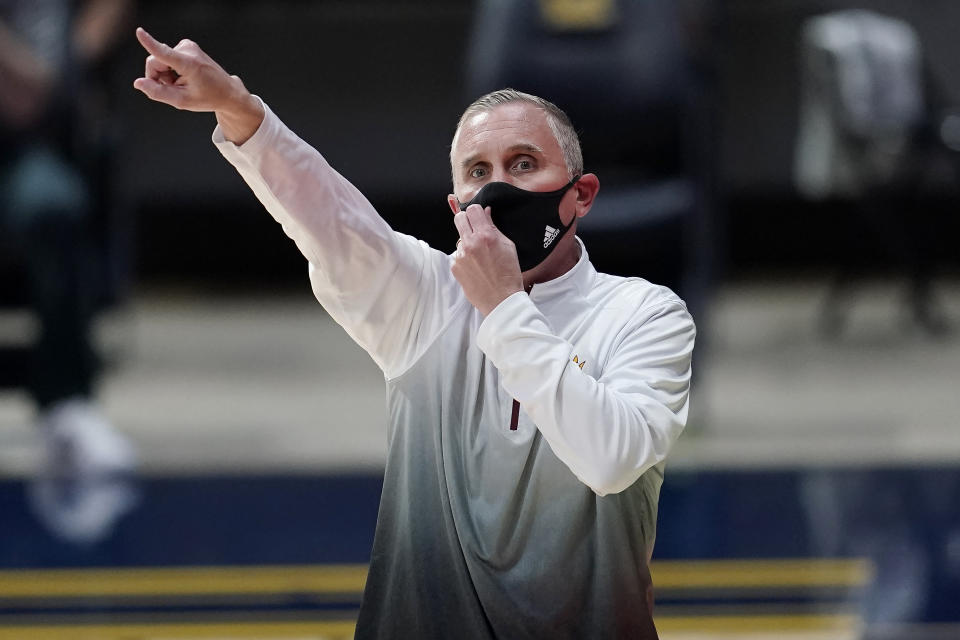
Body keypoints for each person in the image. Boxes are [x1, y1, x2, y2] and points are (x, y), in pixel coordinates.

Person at [133, 25, 695, 639]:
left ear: (581, 194)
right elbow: (329, 215)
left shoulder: (646, 314)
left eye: (524, 164)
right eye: (478, 171)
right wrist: (236, 107)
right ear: (457, 208)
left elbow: (611, 460)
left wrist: (505, 306)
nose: (500, 187)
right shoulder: (424, 297)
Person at [1, 0, 136, 543]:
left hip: (27, 152)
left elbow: (32, 98)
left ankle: (68, 402)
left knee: (52, 205)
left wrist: (76, 54)